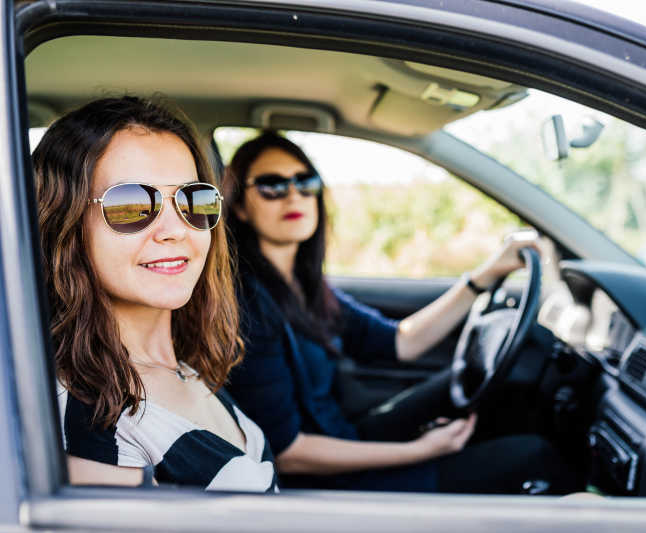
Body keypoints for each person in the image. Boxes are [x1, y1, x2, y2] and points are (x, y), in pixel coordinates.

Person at [222, 132, 577, 494]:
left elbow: (398, 342)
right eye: (271, 185)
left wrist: (483, 277)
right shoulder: (248, 303)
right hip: (321, 483)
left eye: (305, 181)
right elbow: (288, 453)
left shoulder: (303, 286)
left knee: (477, 385)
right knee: (532, 456)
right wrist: (418, 451)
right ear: (239, 206)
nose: (294, 194)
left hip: (342, 436)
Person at [34, 97, 277, 492]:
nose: (175, 229)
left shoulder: (185, 367)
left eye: (192, 200)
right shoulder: (88, 419)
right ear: (67, 221)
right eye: (131, 204)